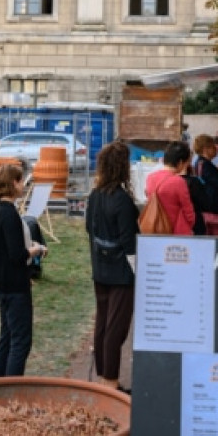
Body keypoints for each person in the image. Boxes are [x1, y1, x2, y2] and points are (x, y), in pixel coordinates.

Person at [85, 141, 138, 392]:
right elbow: (130, 243)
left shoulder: (95, 195)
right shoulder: (122, 200)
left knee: (103, 323)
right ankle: (110, 382)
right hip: (121, 272)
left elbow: (88, 228)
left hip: (100, 267)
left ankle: (102, 377)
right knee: (116, 328)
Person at [0, 164, 47, 377]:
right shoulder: (9, 214)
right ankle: (11, 389)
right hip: (14, 284)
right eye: (21, 181)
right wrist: (36, 249)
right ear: (13, 183)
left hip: (2, 282)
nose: (23, 185)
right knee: (20, 341)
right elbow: (17, 254)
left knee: (7, 335)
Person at [145, 141, 197, 235]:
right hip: (176, 232)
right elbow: (189, 213)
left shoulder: (150, 178)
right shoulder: (179, 181)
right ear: (181, 162)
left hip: (154, 228)